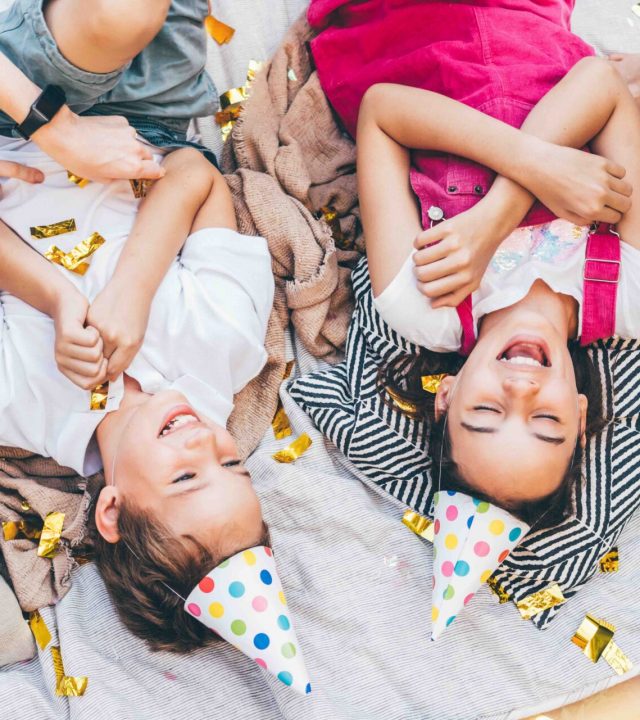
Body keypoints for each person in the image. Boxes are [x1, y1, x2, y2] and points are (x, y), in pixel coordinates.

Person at [0, 0, 274, 653]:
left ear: (113, 510)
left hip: (10, 136)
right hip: (150, 126)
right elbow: (196, 178)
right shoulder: (223, 349)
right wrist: (132, 288)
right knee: (130, 18)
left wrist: (57, 298)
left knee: (117, 17)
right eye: (234, 464)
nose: (205, 445)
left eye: (186, 477)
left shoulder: (22, 407)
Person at [305, 0, 640, 525]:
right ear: (579, 414)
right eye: (545, 420)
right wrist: (502, 210)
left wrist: (498, 215)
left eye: (486, 412)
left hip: (397, 28)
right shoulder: (630, 293)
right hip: (525, 20)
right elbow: (599, 84)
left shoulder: (422, 305)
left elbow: (383, 111)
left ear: (448, 398)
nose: (520, 391)